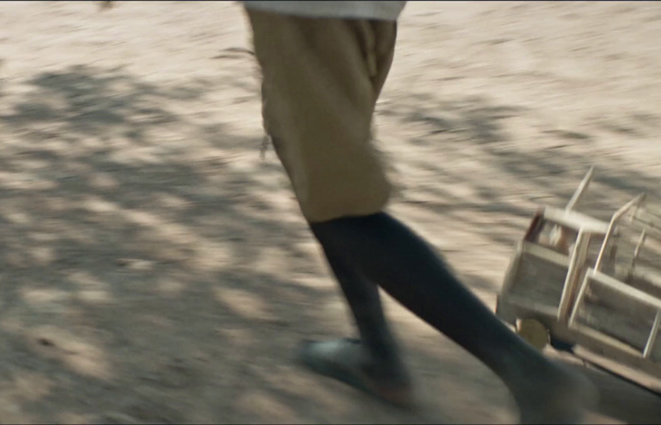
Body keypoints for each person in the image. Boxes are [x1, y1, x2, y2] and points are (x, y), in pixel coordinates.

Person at [238, 2, 598, 423]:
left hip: (305, 14)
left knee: (339, 206)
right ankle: (378, 356)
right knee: (324, 182)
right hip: (361, 12)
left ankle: (530, 374)